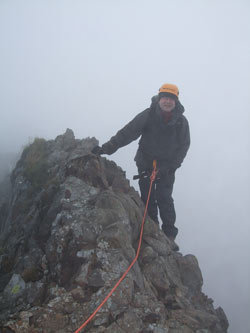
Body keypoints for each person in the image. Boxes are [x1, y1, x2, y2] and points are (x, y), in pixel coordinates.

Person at [92, 83, 190, 250]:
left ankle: (169, 236)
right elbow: (127, 133)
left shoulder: (181, 122)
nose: (167, 101)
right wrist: (106, 149)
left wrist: (171, 167)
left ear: (176, 101)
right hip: (146, 163)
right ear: (159, 98)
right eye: (165, 97)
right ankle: (153, 232)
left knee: (165, 199)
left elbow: (184, 146)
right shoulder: (148, 115)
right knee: (148, 198)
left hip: (166, 169)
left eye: (171, 99)